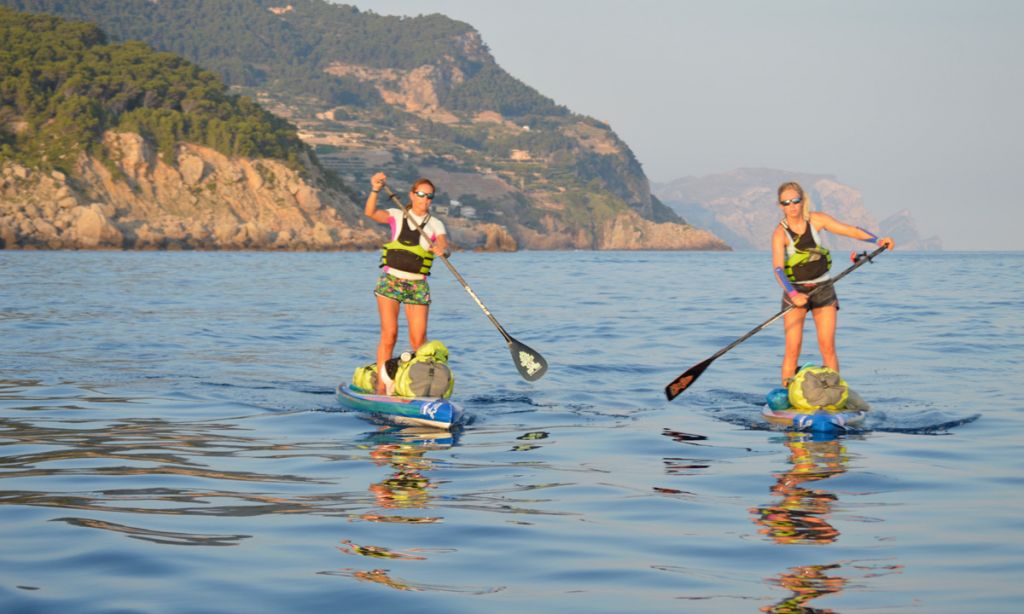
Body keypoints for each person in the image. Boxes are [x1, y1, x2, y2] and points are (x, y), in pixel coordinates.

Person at [771, 181, 894, 387]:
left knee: (827, 347)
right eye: (786, 203)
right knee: (793, 349)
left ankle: (833, 393)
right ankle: (786, 394)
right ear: (781, 206)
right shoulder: (780, 233)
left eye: (795, 201)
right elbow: (777, 269)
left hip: (824, 289)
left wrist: (878, 241)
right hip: (796, 291)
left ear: (803, 201)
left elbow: (850, 231)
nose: (792, 206)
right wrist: (793, 294)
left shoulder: (817, 220)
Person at [365, 172, 449, 395]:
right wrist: (375, 189)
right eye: (421, 194)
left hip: (417, 286)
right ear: (412, 195)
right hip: (391, 282)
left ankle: (420, 386)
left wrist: (441, 249)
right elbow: (371, 213)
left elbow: (443, 243)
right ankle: (382, 387)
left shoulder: (435, 224)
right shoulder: (396, 214)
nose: (425, 199)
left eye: (429, 196)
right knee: (389, 333)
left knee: (419, 341)